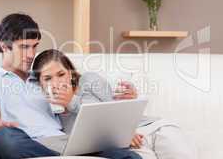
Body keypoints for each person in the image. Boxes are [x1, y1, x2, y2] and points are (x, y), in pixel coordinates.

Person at [0, 13, 142, 159]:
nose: (31, 55)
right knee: (3, 138)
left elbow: (88, 103)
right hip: (28, 142)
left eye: (35, 46)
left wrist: (121, 122)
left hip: (64, 141)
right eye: (24, 47)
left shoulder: (44, 75)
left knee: (125, 154)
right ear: (3, 46)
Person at [31, 49, 197, 159]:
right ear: (39, 83)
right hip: (129, 146)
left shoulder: (89, 80)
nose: (57, 82)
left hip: (152, 129)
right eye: (48, 78)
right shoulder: (52, 115)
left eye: (61, 74)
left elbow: (113, 111)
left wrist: (72, 101)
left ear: (71, 73)